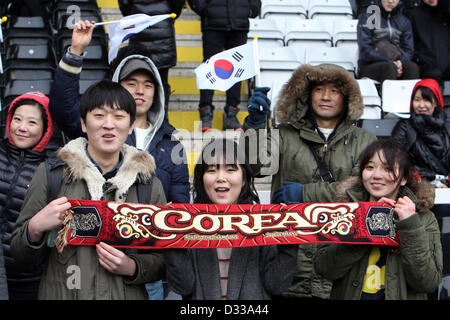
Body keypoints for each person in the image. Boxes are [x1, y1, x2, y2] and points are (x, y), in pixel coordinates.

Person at [10, 80, 167, 300]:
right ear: (83, 123)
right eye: (99, 115)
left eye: (119, 116)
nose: (109, 124)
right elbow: (19, 253)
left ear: (131, 126)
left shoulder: (147, 184)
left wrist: (132, 266)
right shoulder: (52, 174)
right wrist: (34, 229)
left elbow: (162, 260)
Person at [242, 63, 377, 299]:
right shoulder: (284, 133)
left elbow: (362, 192)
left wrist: (306, 194)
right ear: (306, 94)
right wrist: (255, 126)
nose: (326, 97)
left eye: (334, 90)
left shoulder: (365, 140)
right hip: (289, 260)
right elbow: (256, 167)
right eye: (318, 89)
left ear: (346, 97)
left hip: (340, 265)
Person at [49, 20, 190, 205]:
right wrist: (75, 52)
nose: (140, 91)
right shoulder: (101, 129)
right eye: (131, 84)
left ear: (157, 93)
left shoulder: (171, 143)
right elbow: (64, 108)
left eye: (148, 85)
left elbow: (180, 202)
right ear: (117, 86)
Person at [164, 138, 298, 299]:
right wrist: (171, 238)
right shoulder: (187, 224)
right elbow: (183, 286)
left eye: (230, 169)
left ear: (243, 180)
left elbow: (276, 285)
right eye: (212, 170)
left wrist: (289, 242)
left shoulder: (262, 222)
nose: (221, 177)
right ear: (202, 178)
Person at [309, 139, 442, 299]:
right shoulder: (344, 210)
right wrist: (364, 224)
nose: (377, 175)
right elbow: (324, 269)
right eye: (370, 167)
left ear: (404, 178)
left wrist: (410, 225)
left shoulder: (423, 218)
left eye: (388, 169)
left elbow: (428, 283)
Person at [391, 78, 450, 299]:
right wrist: (424, 179)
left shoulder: (446, 128)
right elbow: (397, 160)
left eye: (427, 99)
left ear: (437, 103)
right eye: (417, 99)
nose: (422, 104)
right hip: (418, 191)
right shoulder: (404, 127)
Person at [0, 92, 56, 300]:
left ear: (46, 128)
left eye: (32, 122)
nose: (22, 128)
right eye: (17, 119)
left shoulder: (51, 170)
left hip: (28, 279)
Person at [187, 0, 261, 131]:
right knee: (209, 67)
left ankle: (231, 114)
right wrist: (206, 10)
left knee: (237, 69)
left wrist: (250, 10)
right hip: (213, 24)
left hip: (239, 24)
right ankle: (205, 113)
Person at [118, 0, 185, 121]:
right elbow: (177, 4)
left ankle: (138, 119)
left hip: (139, 30)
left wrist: (136, 14)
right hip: (163, 32)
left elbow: (125, 5)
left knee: (138, 78)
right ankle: (162, 119)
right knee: (162, 83)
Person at [357, 0, 419, 84]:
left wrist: (400, 62)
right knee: (390, 67)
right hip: (369, 65)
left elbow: (409, 50)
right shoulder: (368, 18)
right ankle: (388, 96)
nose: (390, 1)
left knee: (412, 67)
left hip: (396, 63)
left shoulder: (404, 22)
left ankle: (408, 96)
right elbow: (365, 50)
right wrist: (389, 61)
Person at [405, 0, 450, 88]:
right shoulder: (412, 15)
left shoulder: (446, 15)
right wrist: (419, 58)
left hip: (446, 63)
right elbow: (408, 44)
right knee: (433, 74)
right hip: (425, 65)